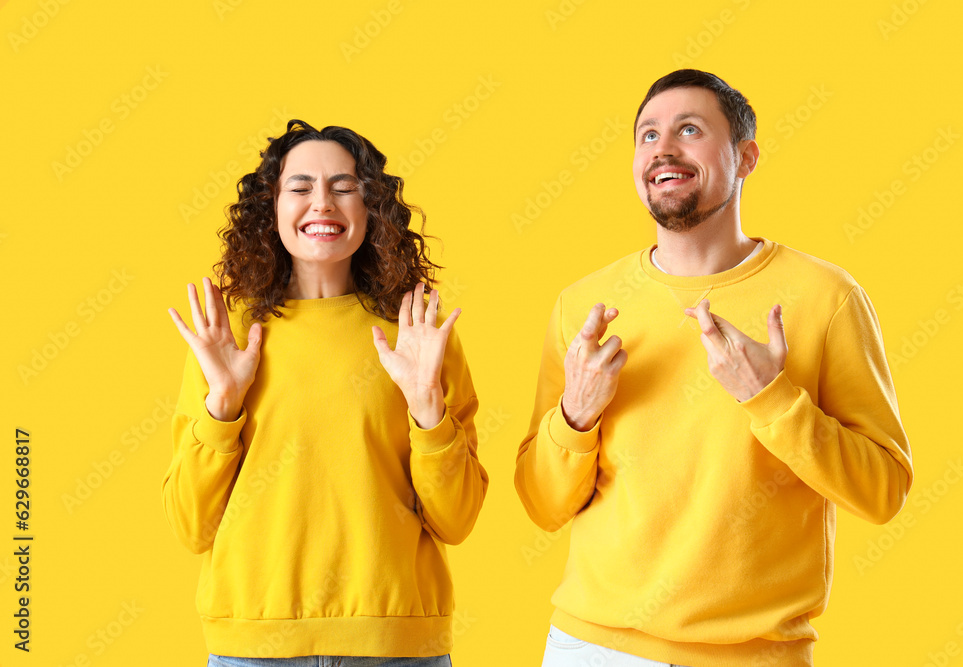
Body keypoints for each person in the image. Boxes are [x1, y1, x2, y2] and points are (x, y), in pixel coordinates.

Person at [515, 70, 913, 667]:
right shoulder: (583, 304)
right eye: (647, 136)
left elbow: (883, 492)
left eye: (689, 130)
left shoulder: (827, 298)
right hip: (592, 648)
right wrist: (576, 415)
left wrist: (771, 398)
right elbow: (542, 504)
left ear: (745, 156)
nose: (663, 150)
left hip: (755, 655)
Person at [162, 120, 487, 666]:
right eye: (301, 187)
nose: (323, 204)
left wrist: (427, 407)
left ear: (372, 208)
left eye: (343, 187)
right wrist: (223, 405)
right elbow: (191, 526)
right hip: (252, 648)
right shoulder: (229, 336)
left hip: (396, 645)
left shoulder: (417, 333)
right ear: (272, 206)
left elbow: (456, 519)